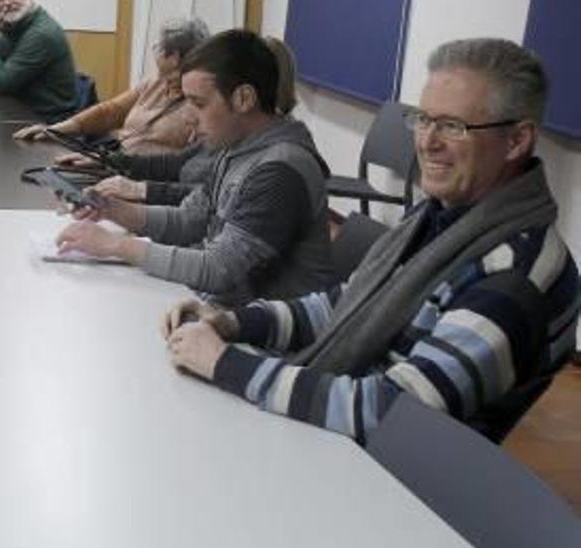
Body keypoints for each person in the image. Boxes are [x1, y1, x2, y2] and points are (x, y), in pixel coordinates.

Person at [163, 38, 579, 445]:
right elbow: (346, 304)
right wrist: (231, 321)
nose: (427, 142)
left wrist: (224, 363)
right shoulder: (442, 217)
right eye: (423, 119)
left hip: (391, 479)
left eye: (453, 126)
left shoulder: (513, 274)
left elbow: (394, 413)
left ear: (517, 141)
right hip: (345, 436)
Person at [55, 29, 333, 307]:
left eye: (198, 103)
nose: (188, 117)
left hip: (261, 334)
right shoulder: (234, 149)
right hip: (223, 312)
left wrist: (116, 246)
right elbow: (189, 221)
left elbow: (217, 270)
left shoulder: (278, 171)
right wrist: (113, 210)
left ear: (244, 99)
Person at [86, 34, 297, 207]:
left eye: (199, 103)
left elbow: (210, 201)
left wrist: (141, 192)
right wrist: (109, 161)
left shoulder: (270, 157)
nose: (190, 115)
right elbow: (178, 166)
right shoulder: (231, 132)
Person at [13, 18, 208, 156]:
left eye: (159, 47)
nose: (165, 79)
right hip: (115, 164)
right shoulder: (155, 82)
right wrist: (55, 131)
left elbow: (184, 167)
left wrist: (111, 164)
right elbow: (110, 112)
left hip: (143, 183)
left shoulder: (200, 104)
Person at [0, 0, 77, 121]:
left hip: (48, 122)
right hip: (17, 112)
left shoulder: (41, 33)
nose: (7, 3)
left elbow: (0, 82)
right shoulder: (14, 24)